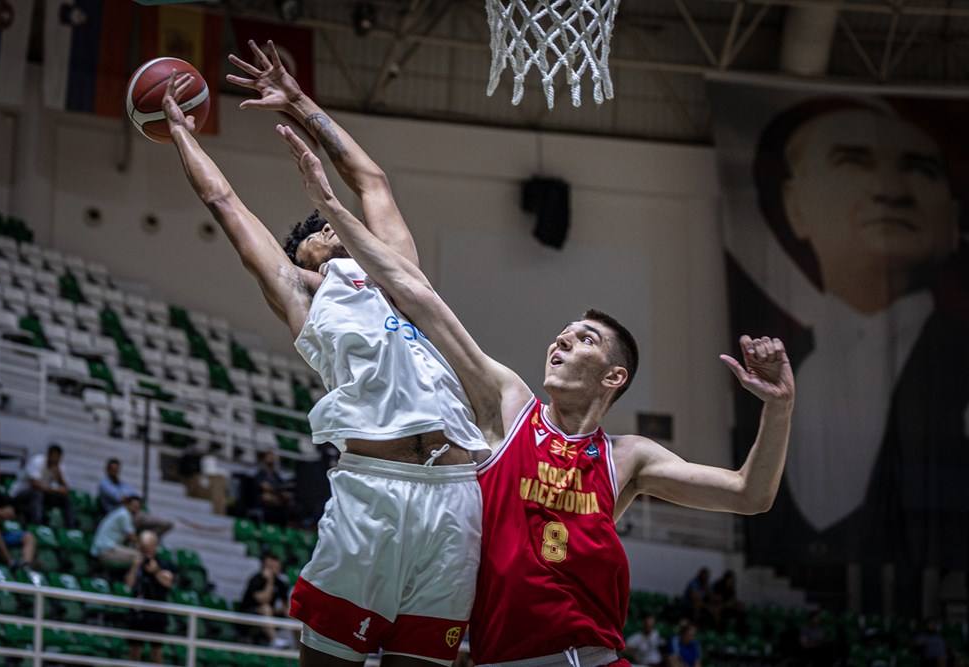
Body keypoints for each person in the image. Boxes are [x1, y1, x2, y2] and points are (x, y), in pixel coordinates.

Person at [280, 121, 795, 666]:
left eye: (585, 339)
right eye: (564, 333)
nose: (563, 338)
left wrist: (780, 407)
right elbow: (415, 292)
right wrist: (334, 207)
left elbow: (748, 494)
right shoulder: (509, 407)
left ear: (613, 377)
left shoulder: (627, 458)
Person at [162, 40, 489, 666]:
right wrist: (182, 134)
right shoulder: (304, 294)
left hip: (456, 494)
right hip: (374, 491)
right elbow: (225, 205)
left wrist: (301, 103)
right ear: (301, 256)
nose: (328, 228)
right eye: (314, 232)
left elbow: (372, 180)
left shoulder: (398, 271)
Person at [730, 96, 969, 611]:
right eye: (854, 162)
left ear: (951, 216)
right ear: (795, 205)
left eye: (921, 170)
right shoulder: (779, 367)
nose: (890, 190)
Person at [125, 530, 175, 665]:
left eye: (148, 546)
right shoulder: (137, 562)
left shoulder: (163, 563)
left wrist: (156, 571)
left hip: (156, 613)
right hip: (138, 612)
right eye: (143, 547)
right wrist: (135, 566)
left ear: (155, 546)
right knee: (134, 651)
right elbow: (129, 585)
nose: (145, 550)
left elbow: (168, 582)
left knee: (156, 652)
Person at [97, 458, 173, 536]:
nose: (115, 472)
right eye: (113, 469)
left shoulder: (123, 484)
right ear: (107, 469)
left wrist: (132, 500)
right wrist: (131, 500)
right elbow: (120, 498)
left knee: (165, 524)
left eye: (117, 469)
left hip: (133, 515)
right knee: (151, 523)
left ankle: (146, 542)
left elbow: (136, 498)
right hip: (118, 517)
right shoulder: (104, 484)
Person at [11, 444, 74, 527]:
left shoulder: (59, 467)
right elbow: (35, 484)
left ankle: (71, 527)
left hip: (43, 494)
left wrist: (60, 478)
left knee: (65, 499)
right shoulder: (37, 461)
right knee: (37, 493)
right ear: (48, 455)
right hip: (21, 494)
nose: (56, 460)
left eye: (58, 458)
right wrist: (55, 490)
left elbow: (66, 490)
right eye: (54, 457)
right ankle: (36, 525)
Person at [241, 552, 291, 648]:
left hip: (269, 614)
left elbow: (286, 606)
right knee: (266, 608)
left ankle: (299, 647)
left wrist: (287, 612)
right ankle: (274, 640)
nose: (274, 569)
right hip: (249, 613)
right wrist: (270, 581)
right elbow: (263, 600)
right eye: (270, 567)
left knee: (295, 614)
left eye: (276, 566)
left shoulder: (280, 583)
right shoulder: (256, 579)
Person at [91, 495, 141, 569]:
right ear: (127, 504)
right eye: (134, 506)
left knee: (137, 555)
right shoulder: (124, 514)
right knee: (138, 556)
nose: (135, 509)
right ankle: (129, 579)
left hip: (108, 547)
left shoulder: (120, 512)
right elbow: (132, 537)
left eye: (137, 507)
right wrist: (142, 545)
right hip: (105, 549)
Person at [253, 450, 292, 526]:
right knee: (267, 497)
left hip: (276, 498)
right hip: (263, 499)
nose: (272, 458)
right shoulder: (261, 473)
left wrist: (283, 493)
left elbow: (282, 486)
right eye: (269, 457)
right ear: (264, 459)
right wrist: (277, 490)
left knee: (287, 497)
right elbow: (265, 486)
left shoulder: (275, 475)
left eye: (272, 457)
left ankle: (283, 529)